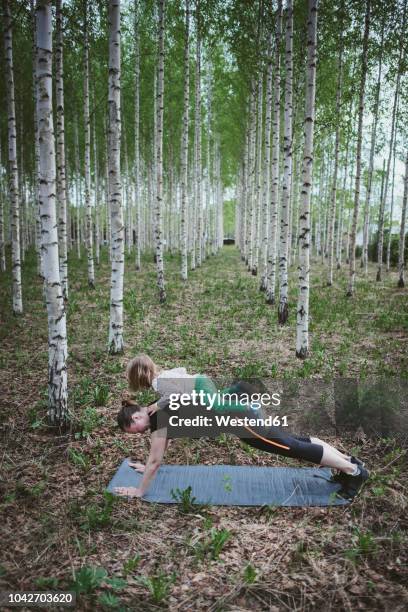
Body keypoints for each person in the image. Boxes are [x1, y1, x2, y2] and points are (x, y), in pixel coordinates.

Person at [114, 355, 369, 499]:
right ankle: (347, 461)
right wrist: (145, 465)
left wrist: (139, 491)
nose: (136, 435)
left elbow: (156, 458)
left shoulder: (159, 414)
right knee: (296, 440)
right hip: (237, 409)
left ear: (136, 419)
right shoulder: (157, 408)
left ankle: (354, 471)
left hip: (241, 419)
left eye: (132, 431)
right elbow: (160, 452)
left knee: (290, 447)